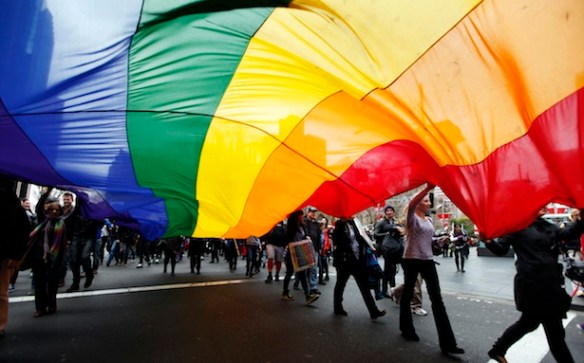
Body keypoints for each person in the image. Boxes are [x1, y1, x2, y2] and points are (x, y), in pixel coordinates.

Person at [483, 206, 584, 363]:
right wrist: (488, 242)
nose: (545, 205)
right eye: (541, 203)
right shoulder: (516, 226)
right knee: (553, 334)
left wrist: (581, 220)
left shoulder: (548, 226)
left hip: (551, 284)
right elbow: (501, 249)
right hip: (532, 286)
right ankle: (498, 349)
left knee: (529, 324)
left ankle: (498, 349)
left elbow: (568, 234)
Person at [399, 183, 464, 356]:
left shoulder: (428, 220)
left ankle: (448, 343)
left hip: (428, 260)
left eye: (428, 200)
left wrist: (440, 241)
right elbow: (412, 203)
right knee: (407, 296)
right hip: (411, 260)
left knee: (437, 299)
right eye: (426, 201)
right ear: (420, 202)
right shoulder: (412, 218)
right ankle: (406, 329)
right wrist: (426, 189)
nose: (429, 203)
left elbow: (428, 241)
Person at [332, 217, 386, 319]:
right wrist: (341, 226)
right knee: (340, 285)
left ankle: (373, 311)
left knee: (364, 286)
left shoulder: (355, 224)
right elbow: (337, 241)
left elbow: (361, 238)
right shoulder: (338, 226)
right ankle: (337, 307)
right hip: (344, 262)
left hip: (357, 260)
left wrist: (370, 245)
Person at [0, 177, 31, 337]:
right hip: (6, 253)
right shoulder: (14, 205)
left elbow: (22, 231)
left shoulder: (13, 205)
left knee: (1, 292)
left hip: (4, 254)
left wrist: (16, 255)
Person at [27, 196, 68, 317]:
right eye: (51, 210)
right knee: (39, 282)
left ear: (60, 212)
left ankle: (51, 304)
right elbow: (39, 206)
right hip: (39, 256)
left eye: (57, 210)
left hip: (55, 258)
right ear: (47, 211)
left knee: (52, 282)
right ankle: (40, 308)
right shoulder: (42, 221)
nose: (54, 212)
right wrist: (48, 191)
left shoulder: (62, 224)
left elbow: (63, 244)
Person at [281, 210, 319, 304]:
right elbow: (287, 240)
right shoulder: (290, 228)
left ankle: (307, 295)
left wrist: (306, 238)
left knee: (302, 273)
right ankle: (285, 292)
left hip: (300, 253)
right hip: (291, 254)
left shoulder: (302, 227)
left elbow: (303, 237)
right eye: (300, 215)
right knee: (289, 273)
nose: (302, 217)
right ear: (296, 217)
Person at [374, 205, 405, 298]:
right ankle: (384, 290)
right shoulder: (381, 222)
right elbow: (375, 234)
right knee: (387, 269)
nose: (389, 212)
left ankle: (393, 288)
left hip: (396, 248)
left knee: (393, 269)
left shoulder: (395, 222)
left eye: (391, 210)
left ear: (393, 212)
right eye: (387, 210)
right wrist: (386, 234)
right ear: (385, 212)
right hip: (386, 249)